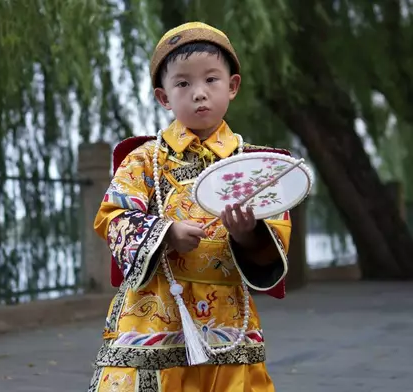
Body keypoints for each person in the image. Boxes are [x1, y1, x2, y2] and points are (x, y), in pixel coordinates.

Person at [88, 22, 293, 391]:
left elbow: (276, 233)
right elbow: (113, 217)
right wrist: (166, 233)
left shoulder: (255, 166)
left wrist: (249, 234)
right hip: (153, 312)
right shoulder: (144, 159)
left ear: (232, 86)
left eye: (211, 80)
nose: (199, 94)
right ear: (164, 97)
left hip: (229, 313)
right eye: (183, 84)